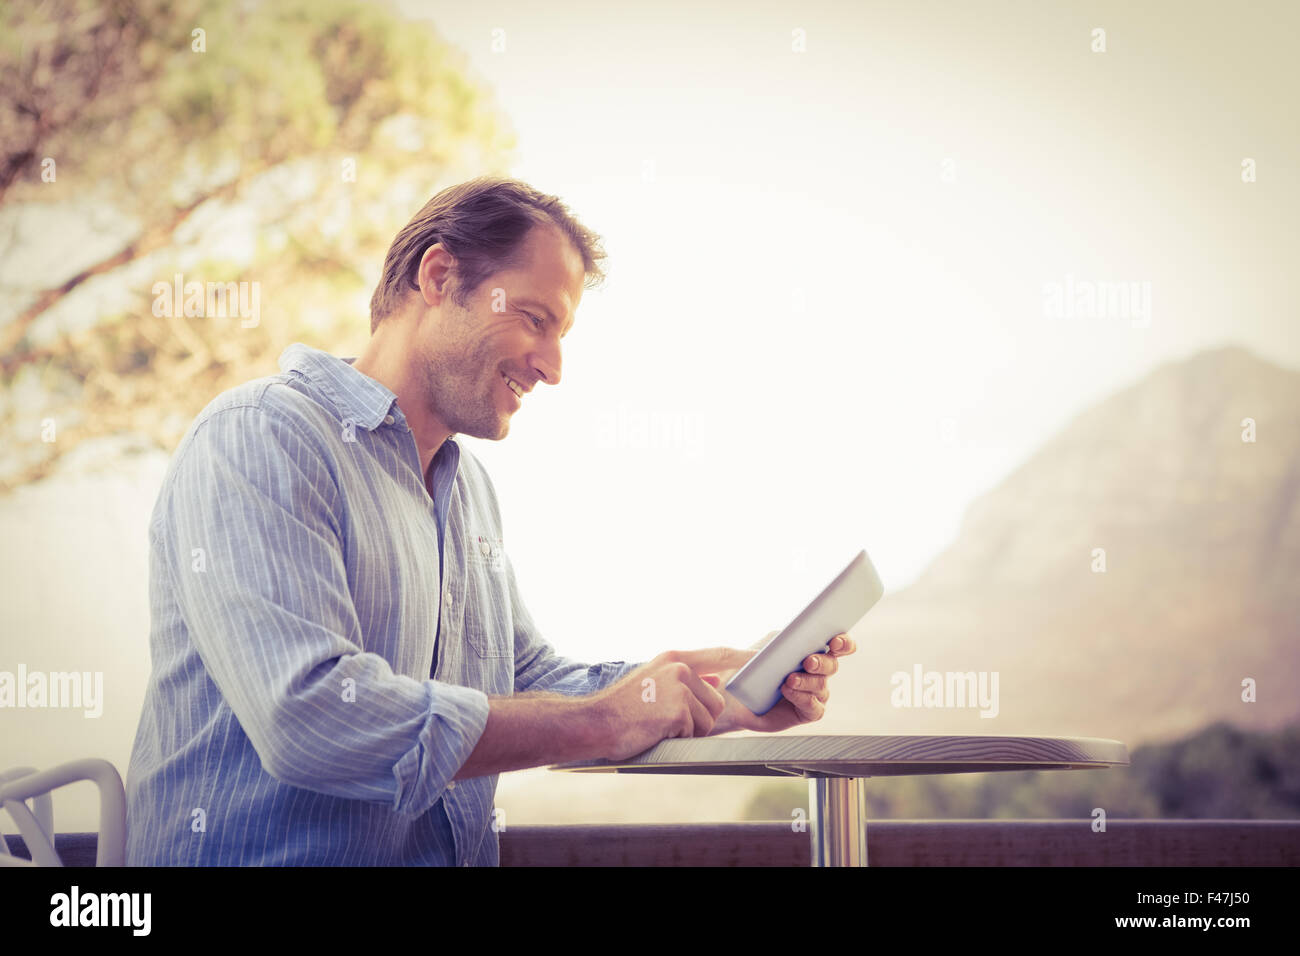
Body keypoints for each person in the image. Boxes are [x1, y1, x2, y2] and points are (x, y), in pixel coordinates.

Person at [124, 176, 856, 866]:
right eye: (534, 319)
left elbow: (526, 678)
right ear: (439, 278)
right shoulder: (259, 437)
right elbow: (310, 718)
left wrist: (712, 690)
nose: (554, 367)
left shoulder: (467, 490)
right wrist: (607, 719)